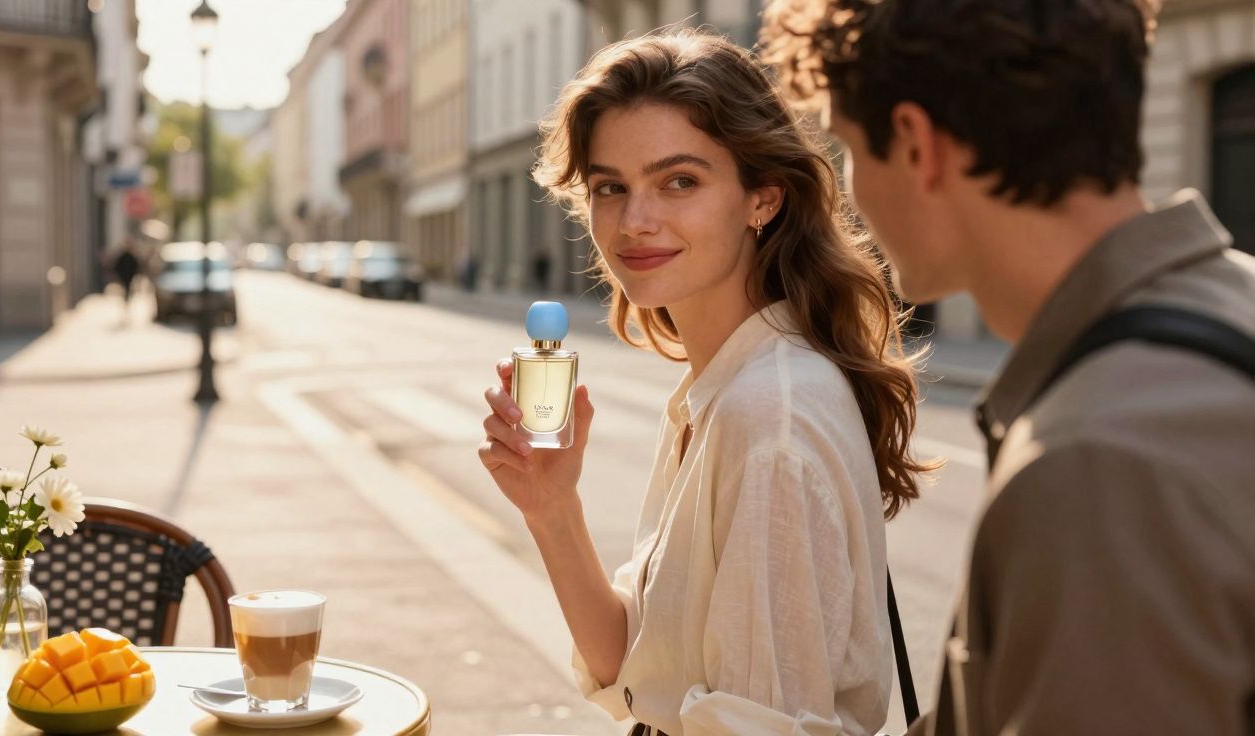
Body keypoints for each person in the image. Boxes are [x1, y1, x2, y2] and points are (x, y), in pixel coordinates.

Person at [763, 1, 1255, 733]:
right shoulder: (1231, 299)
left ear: (916, 144)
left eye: (849, 149)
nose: (853, 193)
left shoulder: (1096, 463)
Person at [477, 31, 935, 736]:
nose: (635, 222)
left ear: (762, 199)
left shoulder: (768, 415)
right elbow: (637, 669)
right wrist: (550, 508)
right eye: (610, 188)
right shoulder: (726, 383)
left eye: (680, 182)